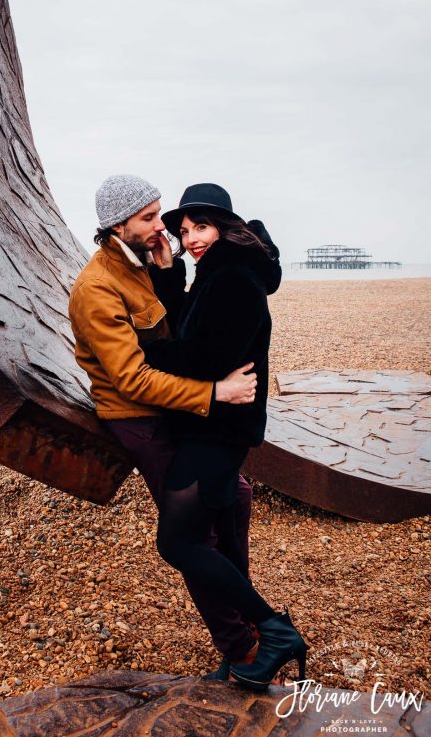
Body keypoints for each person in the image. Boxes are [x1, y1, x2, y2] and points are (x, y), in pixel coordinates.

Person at [68, 174, 262, 675]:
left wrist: (168, 270)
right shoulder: (97, 288)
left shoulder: (145, 265)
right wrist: (214, 394)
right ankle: (242, 647)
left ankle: (244, 612)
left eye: (161, 215)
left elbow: (180, 329)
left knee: (234, 497)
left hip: (174, 410)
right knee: (194, 538)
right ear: (117, 225)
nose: (165, 228)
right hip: (140, 419)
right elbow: (132, 379)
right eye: (150, 218)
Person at [143, 182, 307, 689]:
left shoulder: (235, 278)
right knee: (228, 543)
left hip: (215, 431)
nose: (190, 238)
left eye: (201, 228)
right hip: (213, 424)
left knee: (178, 542)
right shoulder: (216, 272)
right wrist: (168, 272)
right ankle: (249, 649)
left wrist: (137, 356)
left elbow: (204, 358)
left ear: (226, 228)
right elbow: (192, 327)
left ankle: (277, 634)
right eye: (185, 229)